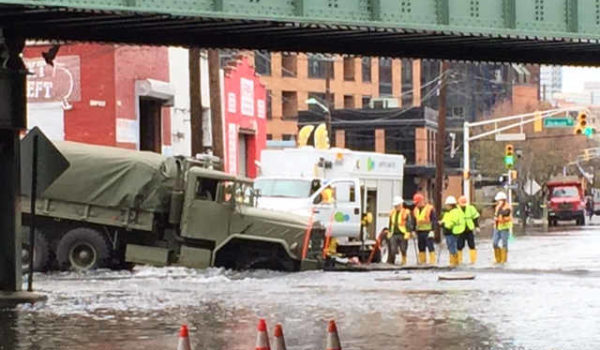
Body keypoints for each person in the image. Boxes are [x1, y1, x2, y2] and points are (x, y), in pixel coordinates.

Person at [385, 196, 413, 265]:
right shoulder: (392, 213)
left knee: (403, 249)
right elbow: (390, 223)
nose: (396, 207)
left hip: (403, 233)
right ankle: (392, 262)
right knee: (392, 249)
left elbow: (409, 223)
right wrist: (389, 231)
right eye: (395, 206)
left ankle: (404, 261)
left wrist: (409, 232)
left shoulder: (406, 212)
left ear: (401, 204)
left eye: (397, 205)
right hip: (393, 233)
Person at [439, 196, 465, 267]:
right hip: (449, 232)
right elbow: (446, 220)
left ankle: (454, 262)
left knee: (452, 246)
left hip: (452, 232)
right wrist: (442, 222)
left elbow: (452, 222)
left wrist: (444, 224)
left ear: (451, 205)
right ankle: (453, 262)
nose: (446, 206)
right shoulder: (449, 212)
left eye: (447, 205)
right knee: (450, 246)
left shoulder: (455, 212)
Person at [412, 193, 437, 265]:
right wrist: (413, 230)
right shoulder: (415, 210)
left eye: (417, 203)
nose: (416, 204)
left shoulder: (430, 208)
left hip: (428, 231)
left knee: (430, 246)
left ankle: (432, 262)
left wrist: (432, 230)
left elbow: (434, 220)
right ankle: (422, 262)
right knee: (421, 247)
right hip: (419, 232)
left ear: (421, 201)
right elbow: (414, 221)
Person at [457, 195, 480, 265]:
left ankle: (473, 261)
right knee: (460, 245)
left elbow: (475, 218)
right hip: (460, 230)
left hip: (469, 229)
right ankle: (459, 260)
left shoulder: (470, 208)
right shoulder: (456, 209)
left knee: (471, 245)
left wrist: (477, 226)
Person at [493, 191, 512, 264]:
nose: (497, 201)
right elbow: (496, 215)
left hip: (504, 228)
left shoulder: (508, 207)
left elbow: (506, 214)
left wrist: (499, 218)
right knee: (494, 243)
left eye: (499, 200)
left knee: (504, 244)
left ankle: (504, 259)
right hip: (497, 227)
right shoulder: (497, 207)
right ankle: (498, 259)